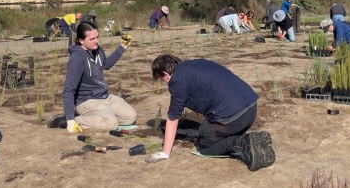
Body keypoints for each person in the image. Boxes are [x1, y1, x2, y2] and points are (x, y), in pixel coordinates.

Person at [147, 54, 275, 171]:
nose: (164, 82)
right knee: (212, 128)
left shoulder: (177, 80)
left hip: (234, 117)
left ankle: (242, 141)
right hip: (251, 108)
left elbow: (173, 119)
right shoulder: (198, 63)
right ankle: (253, 143)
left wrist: (165, 153)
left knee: (205, 144)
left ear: (166, 74)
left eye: (161, 79)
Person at [62, 22, 137, 132]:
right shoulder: (77, 59)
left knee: (130, 117)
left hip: (104, 97)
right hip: (87, 101)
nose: (96, 41)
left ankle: (101, 117)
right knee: (112, 124)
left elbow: (106, 65)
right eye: (92, 39)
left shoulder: (97, 50)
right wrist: (70, 121)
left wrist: (122, 47)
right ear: (81, 40)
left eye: (97, 37)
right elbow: (68, 90)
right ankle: (77, 120)